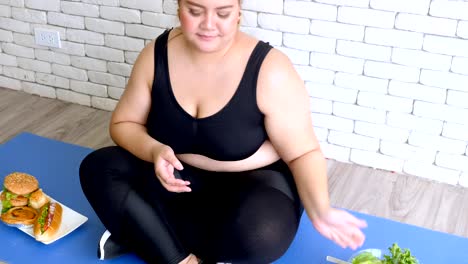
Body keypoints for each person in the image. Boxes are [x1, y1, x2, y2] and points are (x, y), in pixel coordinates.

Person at [79, 0, 367, 263]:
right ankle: (180, 257)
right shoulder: (155, 55)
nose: (208, 24)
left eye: (223, 12)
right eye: (195, 11)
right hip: (181, 179)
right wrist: (154, 150)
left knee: (260, 233)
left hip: (253, 186)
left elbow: (303, 152)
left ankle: (145, 232)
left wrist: (321, 209)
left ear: (239, 12)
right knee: (98, 167)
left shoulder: (271, 69)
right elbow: (123, 124)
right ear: (179, 7)